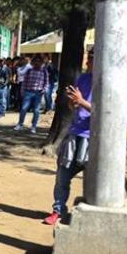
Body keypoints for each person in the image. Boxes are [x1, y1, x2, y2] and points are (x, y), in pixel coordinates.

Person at [44, 48, 94, 225]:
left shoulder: (108, 82)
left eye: (91, 60)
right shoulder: (83, 78)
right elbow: (75, 107)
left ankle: (88, 213)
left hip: (93, 139)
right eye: (88, 59)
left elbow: (106, 113)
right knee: (62, 176)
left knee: (92, 180)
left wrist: (81, 101)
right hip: (75, 134)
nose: (87, 63)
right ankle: (58, 210)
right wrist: (73, 103)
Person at [14, 55, 49, 134]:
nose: (37, 63)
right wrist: (22, 91)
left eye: (39, 61)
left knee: (36, 110)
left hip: (38, 93)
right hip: (28, 92)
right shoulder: (29, 70)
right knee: (24, 108)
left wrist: (44, 90)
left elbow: (46, 82)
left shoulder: (44, 71)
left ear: (41, 62)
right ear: (33, 62)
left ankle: (33, 126)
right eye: (35, 61)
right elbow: (24, 81)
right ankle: (20, 124)